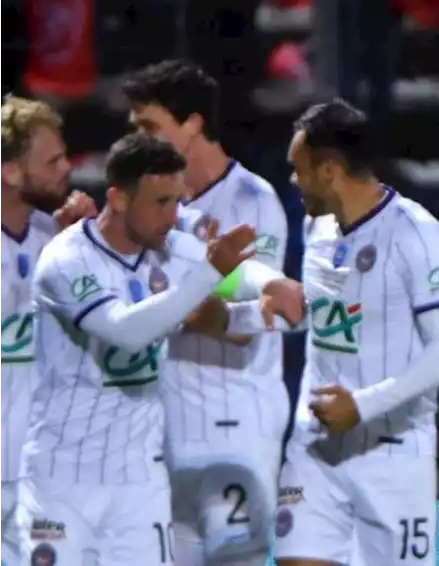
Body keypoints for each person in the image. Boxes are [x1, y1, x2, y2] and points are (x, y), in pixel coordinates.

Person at [14, 132, 284, 566]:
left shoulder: (172, 247)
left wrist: (274, 286)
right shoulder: (66, 260)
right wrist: (209, 274)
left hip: (141, 483)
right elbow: (126, 331)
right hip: (61, 483)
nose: (173, 215)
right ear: (118, 199)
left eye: (178, 201)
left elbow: (240, 276)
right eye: (161, 202)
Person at [273, 99, 439, 566]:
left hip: (392, 454)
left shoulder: (418, 237)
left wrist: (361, 406)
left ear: (329, 169)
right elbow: (333, 312)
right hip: (314, 447)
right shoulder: (315, 227)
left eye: (298, 169)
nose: (292, 180)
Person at [122, 59, 293, 566]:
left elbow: (249, 320)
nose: (138, 141)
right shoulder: (147, 208)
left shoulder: (251, 202)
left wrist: (172, 307)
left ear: (193, 124)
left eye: (149, 127)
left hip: (234, 422)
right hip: (165, 428)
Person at [0, 96, 94, 566]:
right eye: (53, 161)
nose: (67, 170)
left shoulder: (60, 241)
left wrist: (91, 247)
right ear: (11, 173)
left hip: (45, 468)